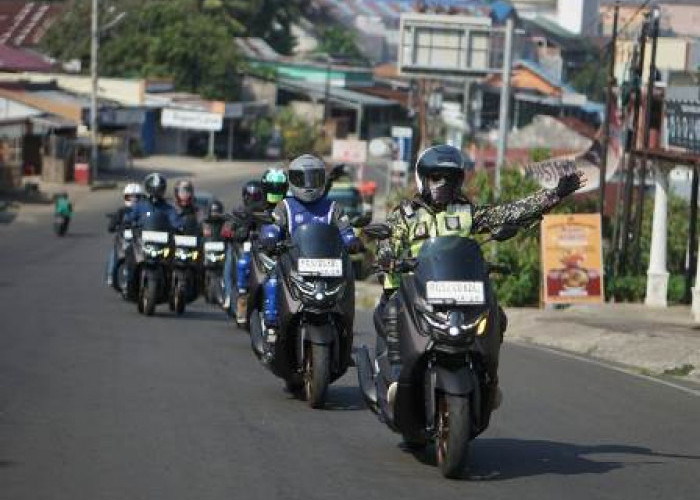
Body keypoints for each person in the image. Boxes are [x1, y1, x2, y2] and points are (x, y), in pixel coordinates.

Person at [374, 144, 585, 413]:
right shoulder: (404, 215)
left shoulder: (466, 212)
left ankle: (488, 379)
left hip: (458, 292)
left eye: (449, 178)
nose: (442, 184)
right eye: (436, 177)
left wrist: (556, 194)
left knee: (496, 315)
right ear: (423, 178)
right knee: (391, 312)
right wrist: (388, 257)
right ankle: (394, 377)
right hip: (416, 291)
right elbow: (386, 243)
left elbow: (512, 212)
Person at [259, 155, 363, 326]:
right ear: (292, 179)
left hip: (328, 269)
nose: (308, 185)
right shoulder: (284, 206)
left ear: (322, 179)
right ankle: (272, 325)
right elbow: (273, 227)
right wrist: (270, 239)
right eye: (302, 179)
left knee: (348, 282)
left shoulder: (332, 207)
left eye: (313, 178)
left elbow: (346, 230)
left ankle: (345, 328)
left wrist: (352, 241)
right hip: (294, 265)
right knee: (272, 280)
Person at [105, 183, 144, 286]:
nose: (133, 200)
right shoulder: (121, 211)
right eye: (130, 197)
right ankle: (110, 274)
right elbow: (111, 226)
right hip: (124, 240)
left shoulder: (145, 212)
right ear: (125, 197)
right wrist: (113, 224)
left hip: (140, 241)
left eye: (136, 197)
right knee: (114, 253)